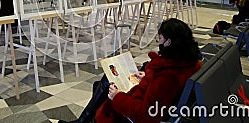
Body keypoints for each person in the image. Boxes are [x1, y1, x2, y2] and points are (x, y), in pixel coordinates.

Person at [57, 18, 202, 123]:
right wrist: (147, 76)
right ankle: (82, 121)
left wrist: (118, 97)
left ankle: (82, 121)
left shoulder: (167, 76)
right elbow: (160, 90)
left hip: (135, 113)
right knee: (104, 82)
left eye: (160, 38)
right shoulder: (187, 63)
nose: (159, 42)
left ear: (169, 42)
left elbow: (147, 114)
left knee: (106, 85)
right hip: (152, 98)